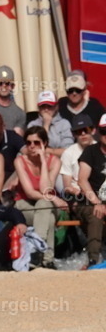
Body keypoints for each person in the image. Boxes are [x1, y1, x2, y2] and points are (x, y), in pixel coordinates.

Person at [14, 125, 67, 268]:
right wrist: (54, 198)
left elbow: (46, 189)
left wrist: (43, 161)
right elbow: (30, 193)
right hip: (25, 204)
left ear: (45, 143)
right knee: (48, 218)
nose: (32, 146)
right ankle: (47, 260)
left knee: (43, 205)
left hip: (46, 205)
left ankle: (36, 250)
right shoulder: (20, 161)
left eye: (36, 142)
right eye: (28, 142)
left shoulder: (54, 161)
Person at [75, 112, 106, 266]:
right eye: (104, 131)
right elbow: (82, 180)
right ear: (99, 132)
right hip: (88, 201)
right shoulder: (90, 151)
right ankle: (93, 260)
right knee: (96, 215)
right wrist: (97, 202)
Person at [27, 91, 74, 157]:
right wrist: (46, 125)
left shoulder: (64, 124)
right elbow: (32, 148)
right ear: (39, 108)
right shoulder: (32, 125)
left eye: (49, 106)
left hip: (60, 160)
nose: (46, 109)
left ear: (56, 106)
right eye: (43, 106)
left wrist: (47, 151)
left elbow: (68, 150)